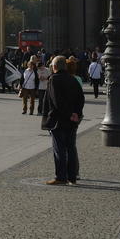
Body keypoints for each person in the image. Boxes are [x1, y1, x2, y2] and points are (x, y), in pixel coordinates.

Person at [41, 55, 84, 185]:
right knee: (70, 148)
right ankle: (72, 176)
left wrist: (68, 114)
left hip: (58, 120)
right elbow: (80, 98)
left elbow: (56, 101)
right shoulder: (73, 79)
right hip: (72, 120)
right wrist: (76, 113)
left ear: (54, 67)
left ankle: (60, 176)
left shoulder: (54, 80)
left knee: (59, 148)